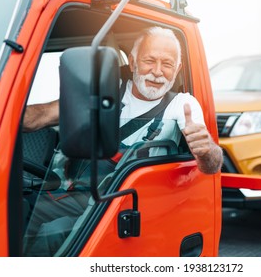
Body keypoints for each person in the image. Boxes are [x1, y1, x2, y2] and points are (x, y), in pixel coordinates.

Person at [23, 26, 223, 256]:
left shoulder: (183, 105)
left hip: (124, 203)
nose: (158, 72)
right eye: (150, 60)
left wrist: (205, 148)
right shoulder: (103, 93)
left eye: (167, 64)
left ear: (177, 69)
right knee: (20, 211)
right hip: (79, 192)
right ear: (132, 61)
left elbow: (211, 165)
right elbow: (41, 116)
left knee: (54, 232)